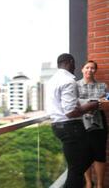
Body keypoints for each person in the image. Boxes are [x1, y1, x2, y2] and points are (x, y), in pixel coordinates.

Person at [46, 53, 100, 188]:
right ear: (70, 62)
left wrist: (83, 104)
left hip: (58, 126)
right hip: (71, 127)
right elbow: (70, 112)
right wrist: (92, 105)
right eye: (75, 64)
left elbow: (64, 104)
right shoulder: (68, 80)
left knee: (76, 167)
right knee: (78, 168)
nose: (75, 67)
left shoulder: (52, 80)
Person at [77, 60, 108, 188]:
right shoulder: (74, 85)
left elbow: (106, 102)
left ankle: (100, 185)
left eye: (93, 68)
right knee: (83, 155)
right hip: (80, 124)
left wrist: (88, 104)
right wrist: (95, 102)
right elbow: (74, 103)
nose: (90, 70)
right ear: (82, 69)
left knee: (99, 154)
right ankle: (89, 183)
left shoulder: (103, 86)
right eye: (87, 67)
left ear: (95, 71)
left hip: (99, 123)